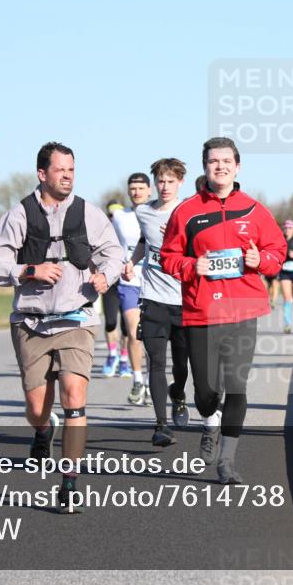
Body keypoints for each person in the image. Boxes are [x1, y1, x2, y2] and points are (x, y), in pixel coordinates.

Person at [0, 142, 123, 512]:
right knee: (36, 407)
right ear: (42, 174)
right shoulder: (19, 215)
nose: (68, 176)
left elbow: (114, 252)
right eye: (60, 170)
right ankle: (43, 431)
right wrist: (30, 270)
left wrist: (105, 277)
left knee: (74, 398)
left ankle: (69, 483)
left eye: (72, 170)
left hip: (76, 317)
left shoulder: (88, 213)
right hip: (31, 322)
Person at [160, 137, 286, 484]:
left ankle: (227, 461)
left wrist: (263, 260)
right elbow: (167, 257)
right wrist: (191, 267)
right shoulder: (186, 211)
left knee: (237, 386)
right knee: (205, 394)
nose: (220, 166)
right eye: (214, 161)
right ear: (205, 167)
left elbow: (278, 251)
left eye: (226, 160)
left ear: (238, 166)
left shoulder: (255, 210)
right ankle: (209, 419)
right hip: (201, 312)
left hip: (244, 310)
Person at [123, 158, 191, 446]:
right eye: (161, 181)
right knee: (156, 361)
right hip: (152, 298)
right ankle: (161, 425)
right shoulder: (144, 212)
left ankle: (178, 394)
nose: (165, 186)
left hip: (184, 299)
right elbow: (144, 240)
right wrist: (131, 262)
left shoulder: (188, 212)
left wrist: (179, 238)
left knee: (182, 365)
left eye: (170, 181)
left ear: (180, 183)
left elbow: (203, 246)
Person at [111, 173, 152, 405]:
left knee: (153, 338)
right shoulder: (119, 216)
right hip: (129, 282)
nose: (136, 192)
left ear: (149, 190)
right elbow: (112, 246)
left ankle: (150, 380)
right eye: (132, 188)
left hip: (155, 283)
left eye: (140, 188)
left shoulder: (157, 214)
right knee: (134, 332)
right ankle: (137, 380)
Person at [100, 199, 126, 377]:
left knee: (127, 326)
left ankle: (124, 360)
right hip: (110, 282)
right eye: (111, 215)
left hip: (128, 282)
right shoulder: (102, 233)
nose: (114, 218)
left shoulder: (129, 231)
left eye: (117, 215)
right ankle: (112, 355)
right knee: (110, 322)